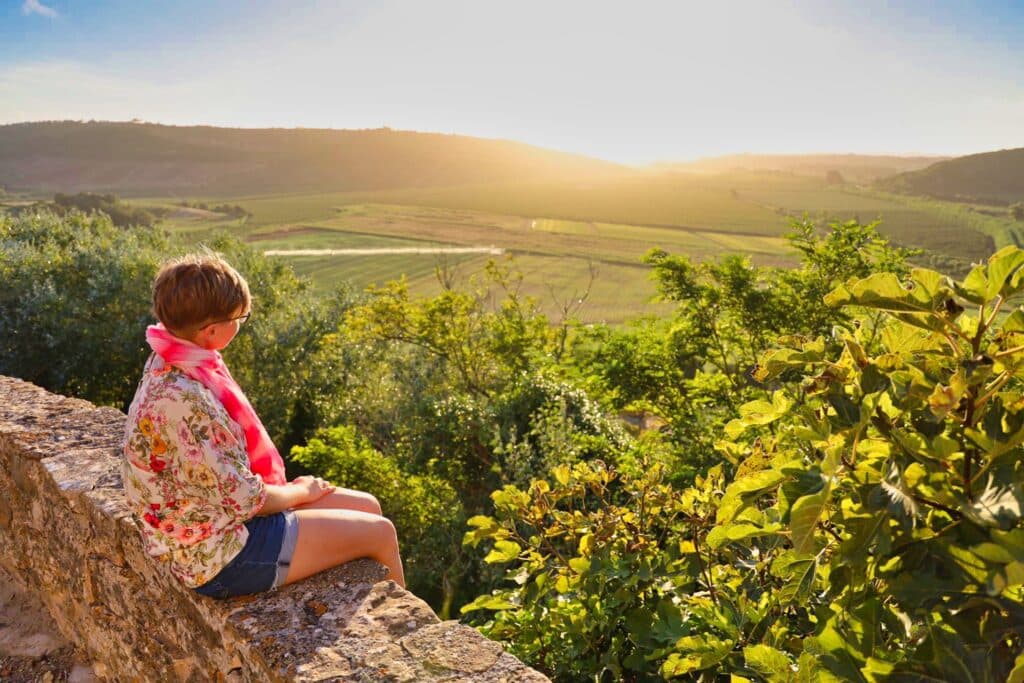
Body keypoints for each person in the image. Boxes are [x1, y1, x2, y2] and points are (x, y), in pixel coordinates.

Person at [121, 252, 405, 599]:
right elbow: (245, 499)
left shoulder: (172, 359)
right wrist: (301, 493)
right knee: (380, 533)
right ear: (211, 331)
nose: (242, 323)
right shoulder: (184, 400)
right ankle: (412, 643)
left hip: (214, 522)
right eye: (240, 317)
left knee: (368, 506)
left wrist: (291, 495)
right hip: (217, 556)